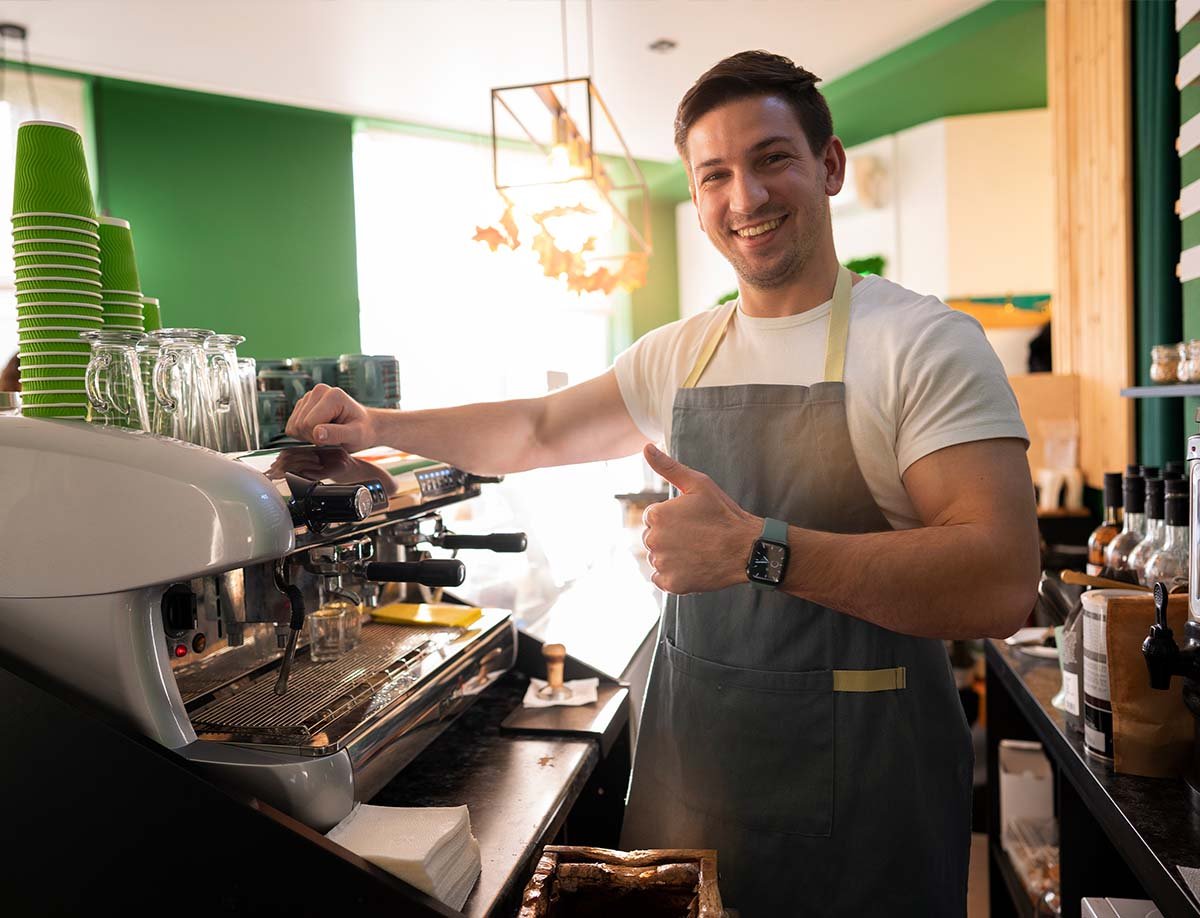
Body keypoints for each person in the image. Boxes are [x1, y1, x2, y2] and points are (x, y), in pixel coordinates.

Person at [286, 50, 1038, 917]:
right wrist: (382, 430)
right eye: (714, 174)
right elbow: (536, 429)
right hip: (697, 789)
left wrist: (760, 552)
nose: (744, 198)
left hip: (866, 805)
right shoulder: (684, 352)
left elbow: (1000, 582)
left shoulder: (922, 344)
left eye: (772, 159)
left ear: (829, 166)